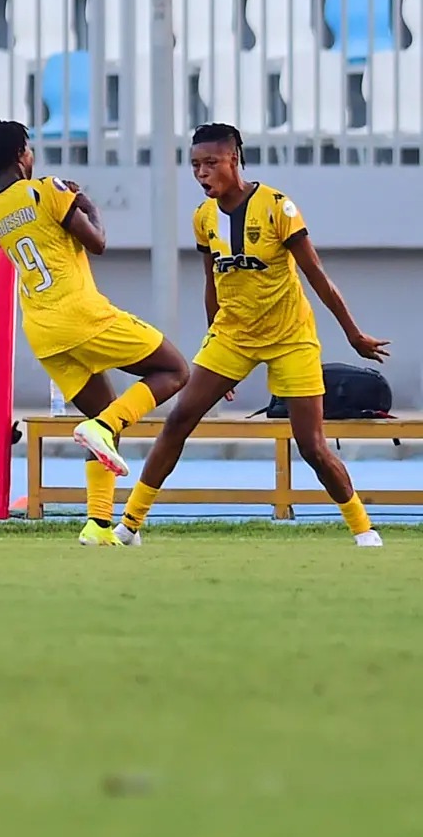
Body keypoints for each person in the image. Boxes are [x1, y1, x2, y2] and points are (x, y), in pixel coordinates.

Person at [116, 123, 389, 547]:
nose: (201, 173)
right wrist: (214, 348)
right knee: (177, 421)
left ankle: (363, 528)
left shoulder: (278, 207)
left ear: (233, 160)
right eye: (194, 165)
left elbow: (317, 277)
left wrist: (353, 334)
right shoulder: (203, 218)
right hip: (232, 337)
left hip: (290, 337)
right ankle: (129, 525)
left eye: (210, 163)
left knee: (312, 445)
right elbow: (213, 284)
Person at [0, 120, 190, 547]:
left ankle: (97, 524)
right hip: (81, 315)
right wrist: (87, 203)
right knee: (175, 369)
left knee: (100, 420)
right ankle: (105, 427)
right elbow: (97, 242)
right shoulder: (47, 189)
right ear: (22, 153)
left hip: (41, 329)